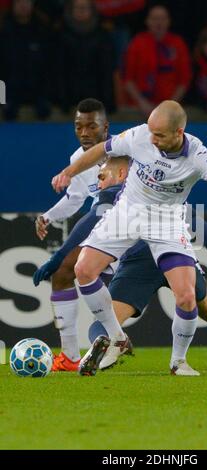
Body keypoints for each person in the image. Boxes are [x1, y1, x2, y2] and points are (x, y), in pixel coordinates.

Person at [51, 100, 207, 377]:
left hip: (166, 221)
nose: (152, 139)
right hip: (127, 212)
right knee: (83, 269)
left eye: (160, 135)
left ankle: (178, 362)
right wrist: (69, 172)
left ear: (179, 133)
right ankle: (117, 339)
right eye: (151, 132)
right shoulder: (140, 135)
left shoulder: (198, 154)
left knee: (187, 295)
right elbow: (100, 150)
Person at [35, 160, 207, 375]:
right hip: (174, 255)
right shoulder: (163, 189)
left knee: (105, 320)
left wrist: (57, 260)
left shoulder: (115, 194)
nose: (99, 181)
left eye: (103, 174)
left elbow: (88, 223)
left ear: (123, 173)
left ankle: (107, 344)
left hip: (139, 262)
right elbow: (206, 230)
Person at [35, 98, 116, 371]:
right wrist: (49, 215)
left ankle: (113, 339)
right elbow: (76, 198)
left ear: (106, 127)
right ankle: (70, 356)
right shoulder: (77, 160)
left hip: (135, 229)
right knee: (63, 274)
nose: (84, 133)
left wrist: (58, 254)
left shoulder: (124, 153)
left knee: (193, 296)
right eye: (78, 126)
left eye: (91, 126)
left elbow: (102, 208)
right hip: (104, 230)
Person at [123, 5, 192, 116]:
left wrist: (169, 106)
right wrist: (142, 103)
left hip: (171, 110)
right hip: (139, 108)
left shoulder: (178, 44)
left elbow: (184, 80)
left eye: (163, 19)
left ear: (169, 21)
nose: (158, 23)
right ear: (147, 21)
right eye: (154, 19)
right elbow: (128, 79)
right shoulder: (137, 43)